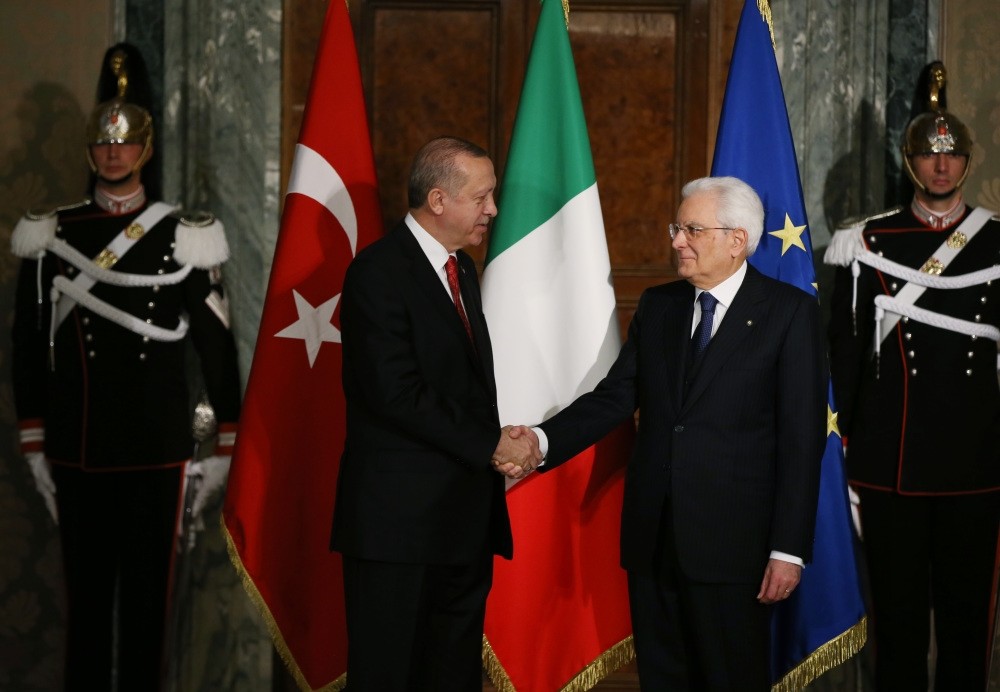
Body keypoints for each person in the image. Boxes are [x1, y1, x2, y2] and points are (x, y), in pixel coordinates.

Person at [508, 176, 827, 690]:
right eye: (677, 228)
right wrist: (539, 442)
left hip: (734, 549)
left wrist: (788, 549)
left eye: (692, 229)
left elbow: (801, 441)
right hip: (654, 542)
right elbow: (615, 397)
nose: (677, 240)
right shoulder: (660, 305)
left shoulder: (789, 313)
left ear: (737, 240)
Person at [9, 44, 241, 690]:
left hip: (156, 450)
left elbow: (216, 346)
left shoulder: (183, 234)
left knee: (148, 612)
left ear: (145, 148)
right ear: (90, 150)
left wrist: (225, 440)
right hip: (77, 447)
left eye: (126, 142)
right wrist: (33, 439)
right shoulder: (52, 233)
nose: (114, 154)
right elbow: (27, 344)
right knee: (84, 611)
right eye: (104, 143)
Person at [329, 136, 540, 691]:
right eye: (482, 197)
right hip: (397, 528)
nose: (493, 209)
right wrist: (491, 443)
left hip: (461, 521)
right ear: (439, 199)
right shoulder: (377, 271)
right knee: (389, 677)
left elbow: (461, 386)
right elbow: (394, 392)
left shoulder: (461, 269)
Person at [824, 61, 1000, 690]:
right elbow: (844, 356)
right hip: (889, 467)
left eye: (951, 155)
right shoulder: (866, 242)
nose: (941, 166)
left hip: (978, 466)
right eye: (929, 154)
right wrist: (840, 449)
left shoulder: (996, 242)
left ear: (967, 162)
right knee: (897, 629)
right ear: (910, 162)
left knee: (965, 626)